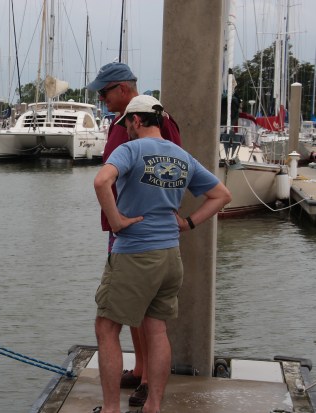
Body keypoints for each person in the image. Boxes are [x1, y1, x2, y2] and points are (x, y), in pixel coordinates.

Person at [92, 95, 231, 413]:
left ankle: (111, 409)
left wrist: (116, 221)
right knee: (156, 330)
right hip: (170, 256)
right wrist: (188, 223)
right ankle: (153, 406)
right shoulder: (182, 156)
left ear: (136, 120)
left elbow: (101, 181)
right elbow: (222, 195)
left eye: (127, 123)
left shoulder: (129, 150)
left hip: (135, 254)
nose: (126, 129)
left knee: (106, 327)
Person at [87, 62, 182, 407]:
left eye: (104, 92)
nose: (101, 98)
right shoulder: (122, 121)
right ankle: (142, 370)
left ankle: (142, 384)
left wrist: (120, 220)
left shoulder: (155, 120)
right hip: (134, 228)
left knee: (122, 317)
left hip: (138, 230)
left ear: (123, 89)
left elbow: (171, 167)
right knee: (140, 313)